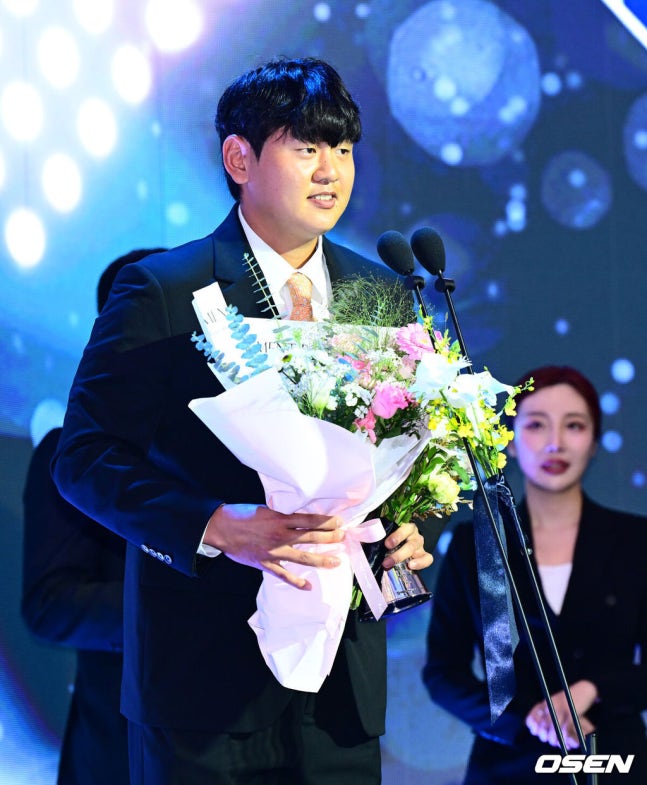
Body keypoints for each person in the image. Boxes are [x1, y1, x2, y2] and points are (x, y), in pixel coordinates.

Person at [52, 57, 432, 785]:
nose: (331, 171)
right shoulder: (165, 289)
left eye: (343, 148)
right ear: (239, 158)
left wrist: (406, 530)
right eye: (306, 147)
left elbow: (396, 455)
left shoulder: (382, 292)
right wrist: (215, 524)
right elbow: (86, 458)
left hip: (341, 691)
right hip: (201, 687)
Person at [423, 364, 647, 783]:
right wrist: (527, 718)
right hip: (507, 762)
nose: (555, 443)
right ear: (509, 441)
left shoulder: (637, 541)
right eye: (537, 425)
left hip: (615, 757)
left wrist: (593, 689)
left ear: (594, 441)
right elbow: (442, 674)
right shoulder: (475, 546)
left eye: (574, 425)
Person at [21, 248, 165, 785]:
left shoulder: (248, 449)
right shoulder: (75, 455)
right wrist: (179, 607)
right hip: (123, 750)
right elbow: (51, 605)